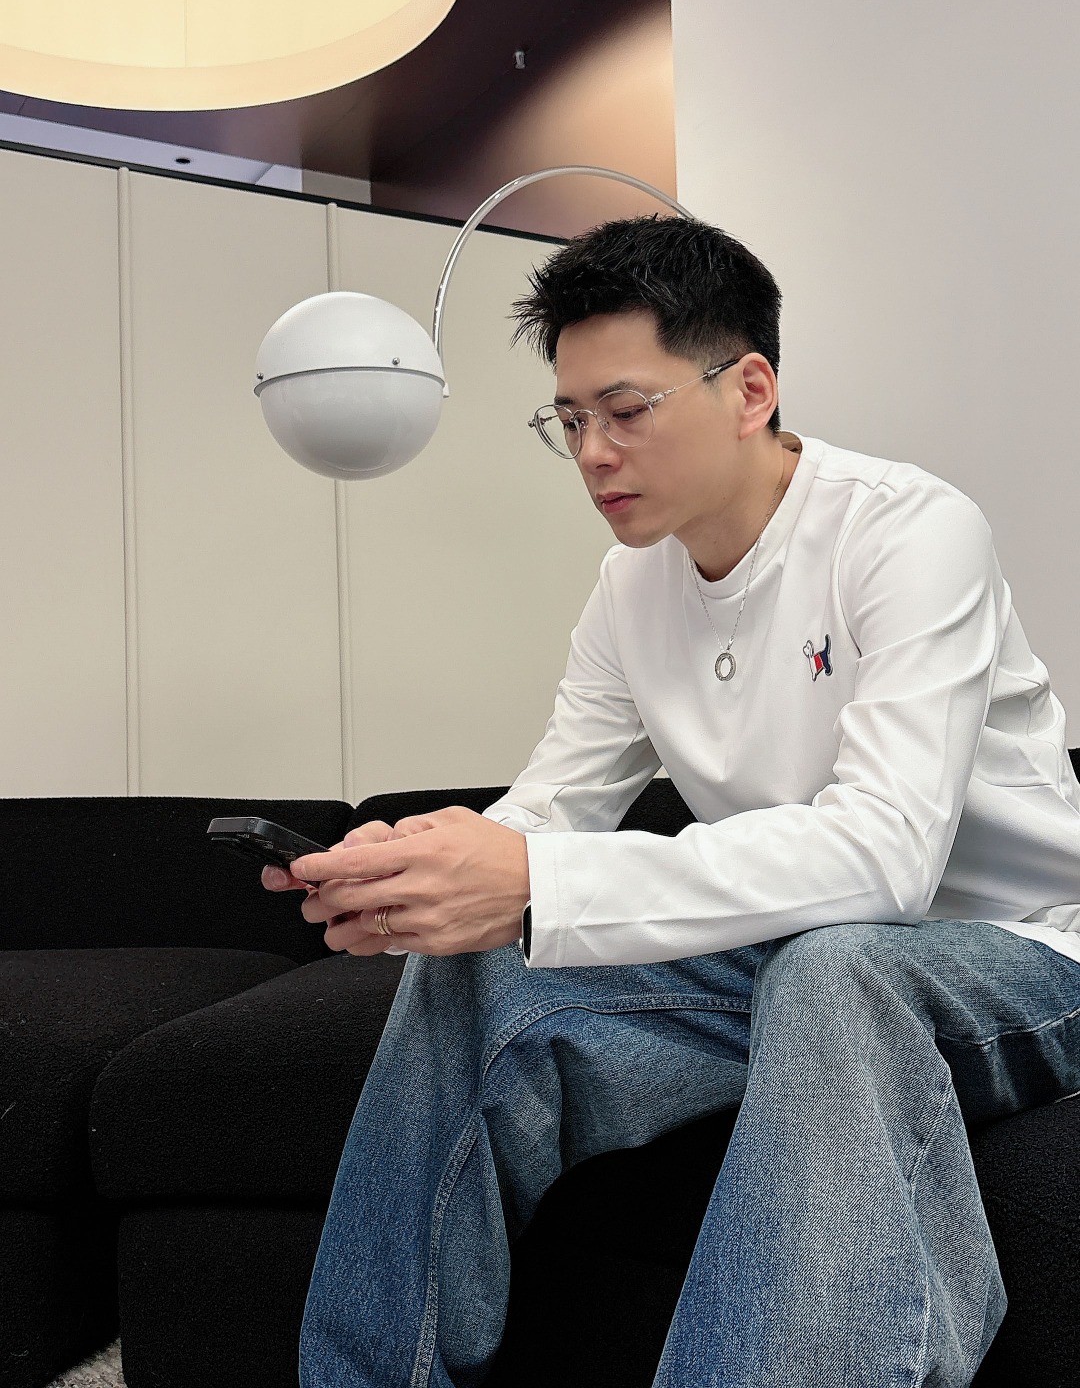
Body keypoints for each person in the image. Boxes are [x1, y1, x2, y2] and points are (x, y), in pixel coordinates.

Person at [264, 216, 1080, 1388]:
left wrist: (536, 880)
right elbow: (554, 808)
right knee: (473, 972)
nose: (594, 453)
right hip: (785, 957)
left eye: (627, 410)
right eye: (570, 420)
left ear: (749, 389)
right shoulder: (630, 584)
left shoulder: (909, 530)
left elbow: (888, 856)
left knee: (838, 969)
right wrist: (422, 870)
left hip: (1020, 956)